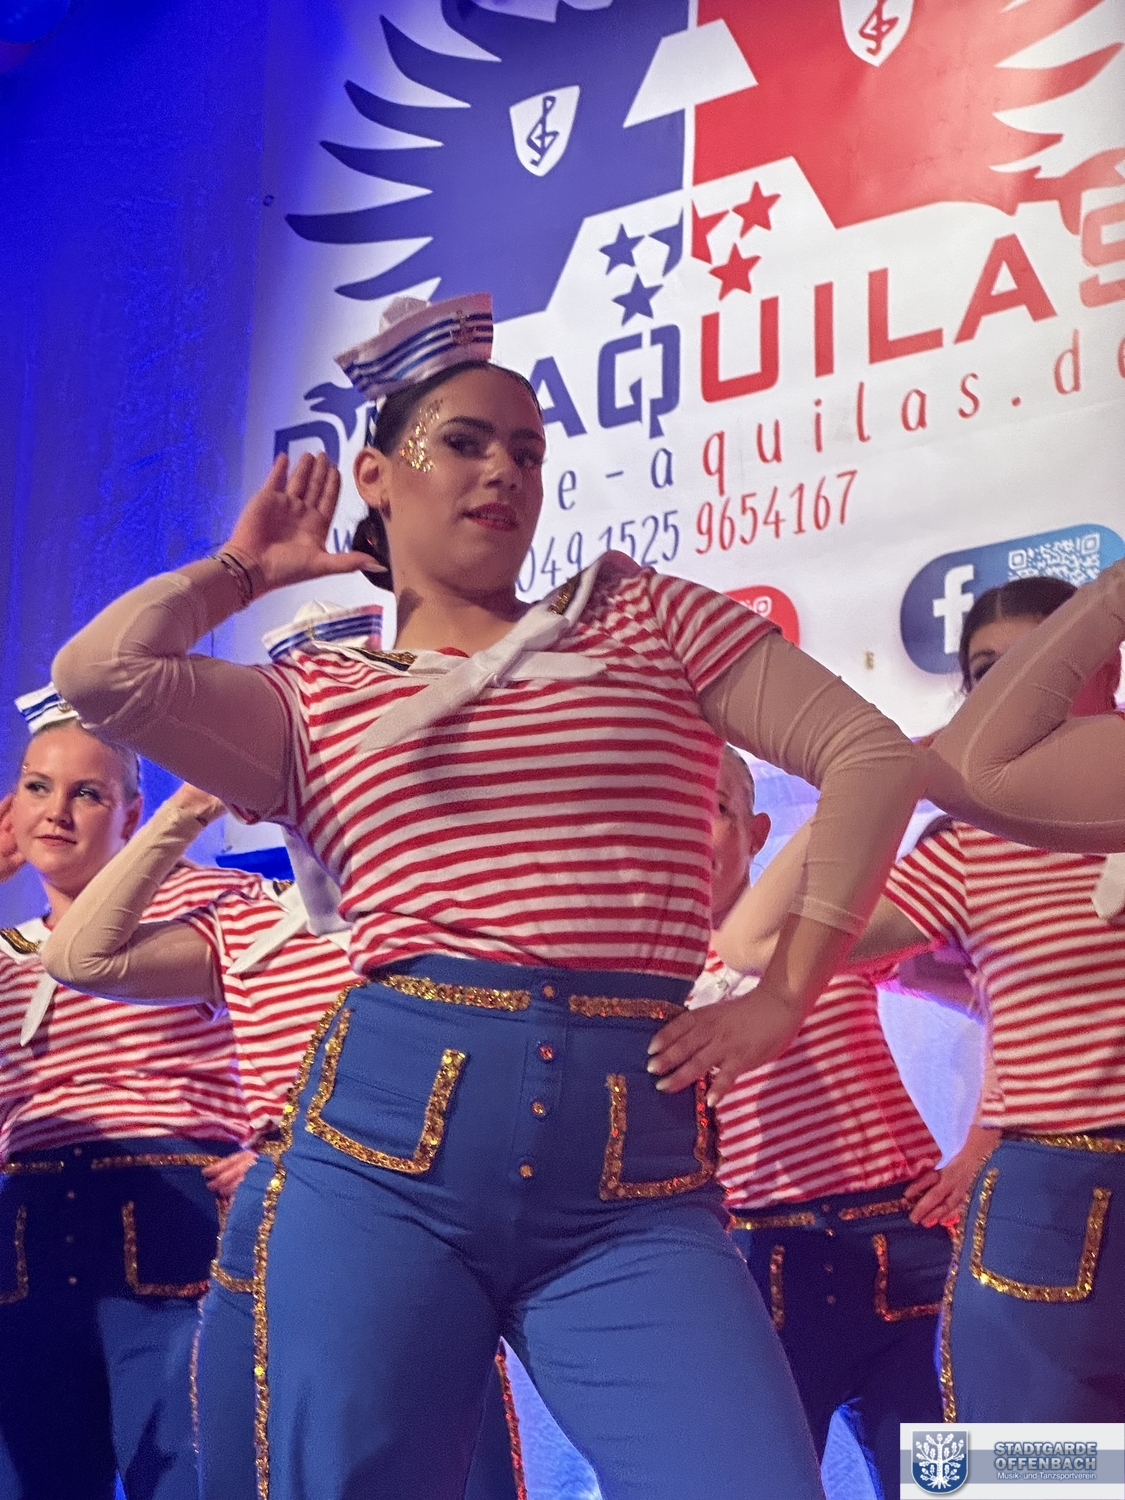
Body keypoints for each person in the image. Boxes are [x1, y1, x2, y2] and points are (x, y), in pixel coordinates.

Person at [52, 290, 926, 1500]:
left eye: (526, 449)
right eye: (463, 442)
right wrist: (244, 570)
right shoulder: (314, 696)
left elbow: (873, 757)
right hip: (383, 1155)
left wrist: (782, 995)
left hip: (635, 1178)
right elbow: (99, 672)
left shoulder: (641, 613)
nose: (503, 471)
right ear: (377, 475)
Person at [42, 600, 526, 1500]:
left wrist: (302, 1143)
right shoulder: (244, 919)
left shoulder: (454, 904)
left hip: (427, 1224)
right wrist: (192, 801)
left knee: (455, 1470)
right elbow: (83, 957)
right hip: (286, 1242)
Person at [719, 577, 1125, 1422]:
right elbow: (752, 944)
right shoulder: (972, 850)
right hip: (1051, 1197)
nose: (1011, 695)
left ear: (1103, 664)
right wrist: (877, 777)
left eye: (1037, 663)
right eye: (986, 675)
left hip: (1008, 1204)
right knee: (1037, 1472)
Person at [692, 749, 992, 1499]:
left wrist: (985, 1145)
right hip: (757, 1265)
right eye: (672, 806)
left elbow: (1005, 997)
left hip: (903, 1242)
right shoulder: (634, 975)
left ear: (757, 832)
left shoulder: (823, 933)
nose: (692, 826)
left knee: (957, 1484)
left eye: (716, 806)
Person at [0, 687, 254, 1500]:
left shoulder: (209, 906)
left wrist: (286, 1146)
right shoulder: (6, 953)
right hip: (27, 1236)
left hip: (172, 1214)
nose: (57, 812)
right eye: (38, 787)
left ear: (133, 813)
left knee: (186, 1475)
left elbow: (329, 1015)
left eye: (87, 793)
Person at [927, 558, 1125, 853]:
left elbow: (968, 770)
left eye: (1043, 665)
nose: (1014, 694)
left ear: (1109, 670)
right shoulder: (960, 851)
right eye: (988, 672)